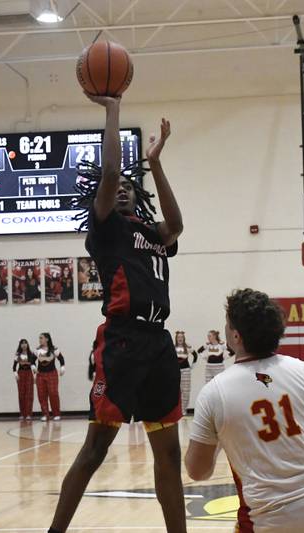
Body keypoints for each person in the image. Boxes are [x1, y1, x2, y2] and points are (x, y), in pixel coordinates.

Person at [48, 95, 185, 533]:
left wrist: (156, 163)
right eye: (117, 185)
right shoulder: (106, 230)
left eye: (130, 183)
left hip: (159, 343)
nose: (122, 185)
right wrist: (113, 110)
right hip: (122, 342)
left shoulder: (152, 232)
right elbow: (108, 172)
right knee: (95, 449)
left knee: (170, 454)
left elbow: (176, 225)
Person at [185, 289, 304, 533]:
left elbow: (198, 471)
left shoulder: (213, 393)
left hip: (269, 523)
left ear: (236, 336)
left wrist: (219, 443)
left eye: (227, 325)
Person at [35, 333, 65, 422]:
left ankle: (56, 414)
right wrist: (33, 366)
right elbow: (32, 360)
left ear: (47, 339)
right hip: (40, 375)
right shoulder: (37, 350)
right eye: (39, 338)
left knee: (53, 393)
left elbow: (61, 358)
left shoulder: (54, 349)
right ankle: (45, 414)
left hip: (52, 374)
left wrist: (62, 366)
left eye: (41, 338)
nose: (40, 340)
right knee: (41, 395)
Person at [13, 339, 37, 420]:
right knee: (21, 394)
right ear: (20, 345)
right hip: (21, 374)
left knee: (29, 394)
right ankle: (22, 414)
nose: (24, 345)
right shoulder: (17, 355)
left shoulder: (31, 354)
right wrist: (15, 373)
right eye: (22, 343)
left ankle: (29, 414)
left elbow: (34, 366)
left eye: (25, 343)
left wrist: (34, 376)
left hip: (29, 374)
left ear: (27, 344)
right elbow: (14, 366)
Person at [174, 331, 197, 411]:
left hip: (186, 371)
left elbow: (195, 355)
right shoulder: (173, 348)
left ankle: (183, 409)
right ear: (176, 339)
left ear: (184, 338)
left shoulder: (187, 347)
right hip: (176, 371)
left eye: (181, 337)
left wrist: (192, 366)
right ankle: (176, 410)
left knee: (186, 390)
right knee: (176, 390)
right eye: (178, 337)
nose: (180, 339)